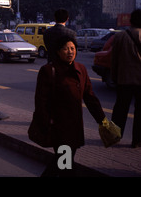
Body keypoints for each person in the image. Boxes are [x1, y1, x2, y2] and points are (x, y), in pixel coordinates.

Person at [33, 35, 107, 176]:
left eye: (72, 48)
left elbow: (90, 97)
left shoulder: (81, 69)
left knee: (64, 163)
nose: (70, 52)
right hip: (58, 126)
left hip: (75, 126)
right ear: (58, 51)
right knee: (64, 163)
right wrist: (45, 123)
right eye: (66, 49)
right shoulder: (48, 71)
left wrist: (102, 120)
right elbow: (40, 101)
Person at [111, 9, 141, 148]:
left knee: (120, 109)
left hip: (124, 79)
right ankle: (137, 141)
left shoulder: (120, 36)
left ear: (130, 20)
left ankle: (114, 136)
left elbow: (114, 60)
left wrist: (114, 76)